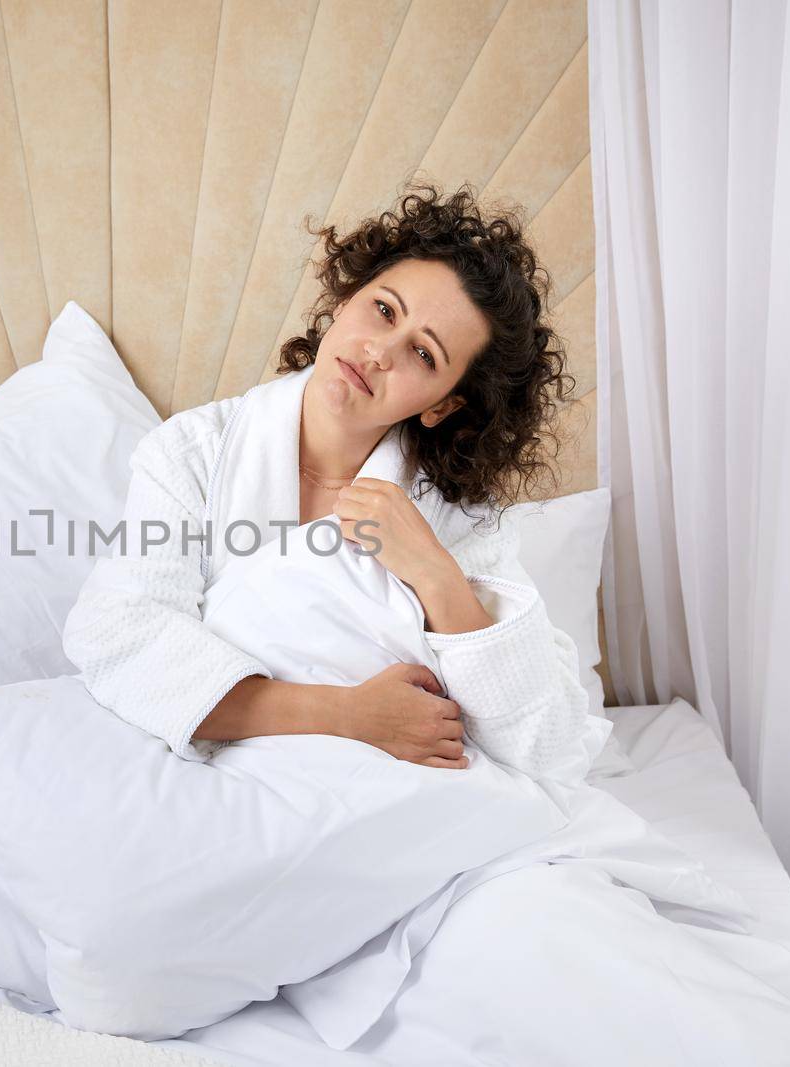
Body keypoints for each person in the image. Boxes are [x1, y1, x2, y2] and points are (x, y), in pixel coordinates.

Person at [62, 181, 603, 783]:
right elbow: (117, 635)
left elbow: (549, 742)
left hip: (389, 797)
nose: (380, 352)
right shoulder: (194, 453)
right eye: (383, 309)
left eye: (424, 355)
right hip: (209, 781)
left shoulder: (450, 517)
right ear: (347, 297)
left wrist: (432, 571)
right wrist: (349, 714)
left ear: (442, 406)